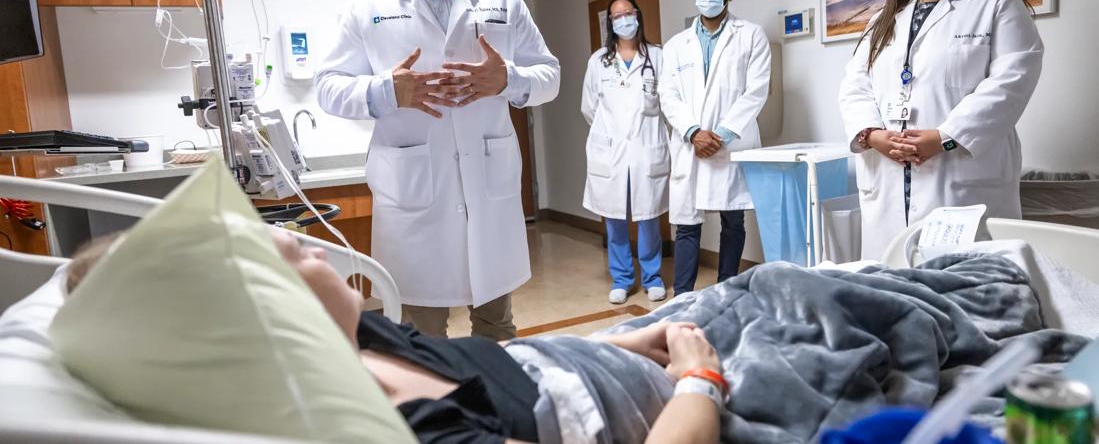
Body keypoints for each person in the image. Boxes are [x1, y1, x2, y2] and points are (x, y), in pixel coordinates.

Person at [65, 230, 726, 444]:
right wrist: (699, 380)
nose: (304, 242)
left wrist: (616, 342)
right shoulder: (387, 428)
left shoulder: (358, 331)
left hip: (607, 356)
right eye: (283, 255)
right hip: (680, 398)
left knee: (757, 288)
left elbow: (486, 363)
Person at [315, 0, 560, 340]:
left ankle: (500, 409)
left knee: (496, 325)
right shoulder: (366, 6)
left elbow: (549, 76)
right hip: (414, 196)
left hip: (487, 188)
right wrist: (389, 90)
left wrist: (507, 79)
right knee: (421, 333)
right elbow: (328, 87)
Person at [838, 0, 1043, 258]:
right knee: (894, 285)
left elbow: (1013, 79)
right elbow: (855, 85)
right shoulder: (883, 20)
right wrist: (872, 135)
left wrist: (945, 138)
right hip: (889, 171)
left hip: (960, 171)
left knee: (965, 288)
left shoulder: (997, 2)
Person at [659, 0, 771, 295]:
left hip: (729, 144)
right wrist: (694, 132)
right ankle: (683, 298)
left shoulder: (751, 35)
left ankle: (726, 291)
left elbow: (757, 90)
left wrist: (719, 136)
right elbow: (668, 95)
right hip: (690, 142)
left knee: (733, 220)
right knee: (687, 224)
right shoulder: (677, 44)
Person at [581, 0, 670, 304]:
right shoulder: (598, 61)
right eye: (616, 16)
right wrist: (612, 133)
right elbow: (589, 107)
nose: (623, 20)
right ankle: (621, 278)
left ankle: (653, 277)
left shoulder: (657, 56)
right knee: (614, 217)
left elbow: (667, 102)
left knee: (648, 217)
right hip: (612, 150)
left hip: (646, 148)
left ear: (638, 15)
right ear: (610, 22)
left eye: (627, 13)